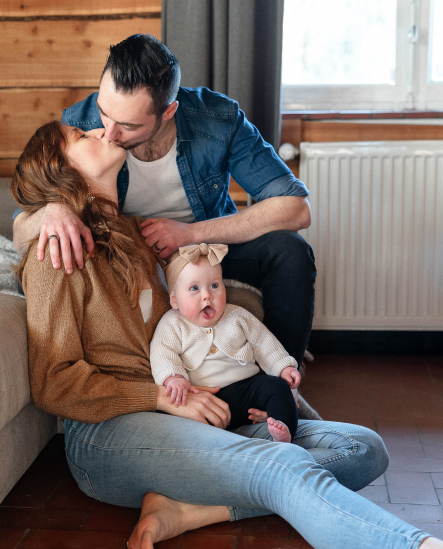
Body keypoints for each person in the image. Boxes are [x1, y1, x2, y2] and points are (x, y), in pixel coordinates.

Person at [10, 120, 443, 549]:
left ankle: (192, 509)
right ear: (58, 171)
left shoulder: (136, 235)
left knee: (363, 448)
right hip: (105, 437)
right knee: (283, 463)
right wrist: (160, 398)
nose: (103, 131)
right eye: (81, 137)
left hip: (185, 413)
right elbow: (53, 383)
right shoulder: (56, 253)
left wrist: (287, 399)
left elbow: (186, 335)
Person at [12, 33, 315, 372]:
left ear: (168, 111)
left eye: (127, 125)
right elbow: (22, 219)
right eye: (103, 112)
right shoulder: (81, 122)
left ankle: (285, 376)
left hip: (205, 249)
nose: (108, 133)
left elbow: (296, 208)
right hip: (133, 258)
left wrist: (189, 233)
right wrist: (55, 209)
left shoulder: (216, 119)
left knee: (291, 251)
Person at [151, 242, 300, 442]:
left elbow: (264, 343)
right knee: (176, 410)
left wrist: (283, 367)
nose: (207, 295)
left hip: (248, 389)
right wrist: (174, 378)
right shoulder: (172, 324)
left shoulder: (237, 316)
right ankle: (214, 444)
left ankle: (283, 431)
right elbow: (162, 352)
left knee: (277, 388)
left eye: (214, 286)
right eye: (194, 288)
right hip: (207, 398)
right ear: (175, 300)